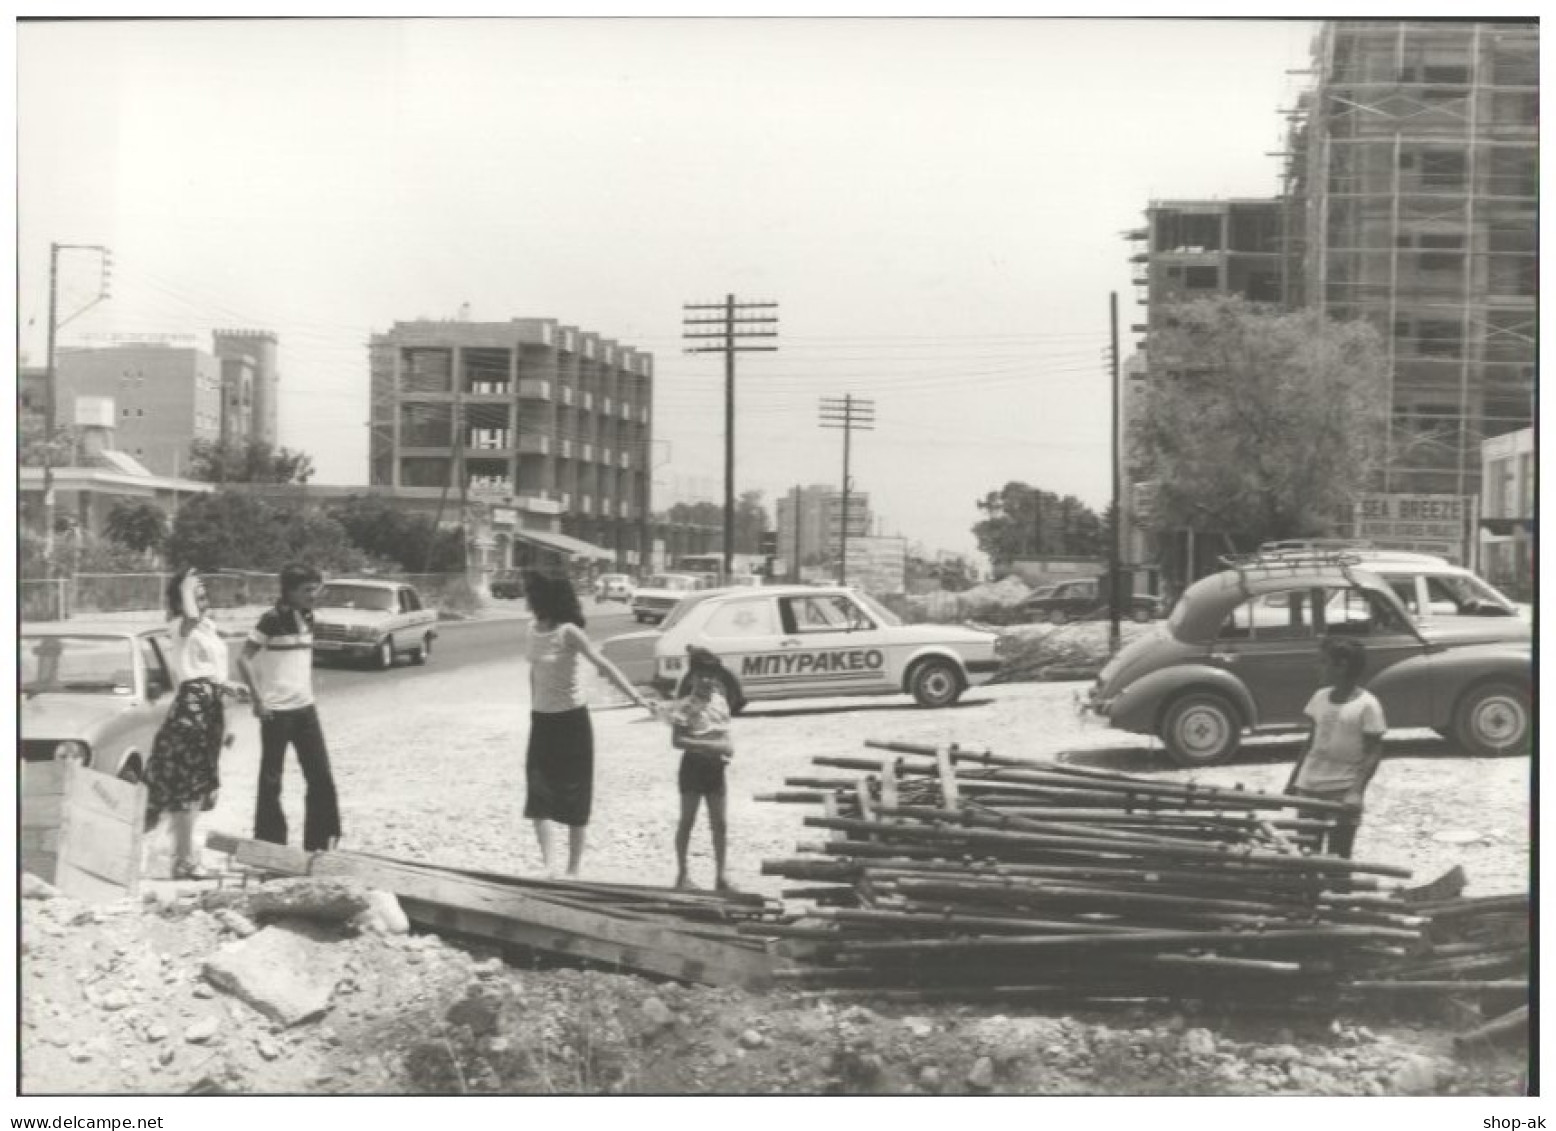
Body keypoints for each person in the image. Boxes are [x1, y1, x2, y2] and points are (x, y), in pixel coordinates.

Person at [523, 570, 653, 876]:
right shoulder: (530, 629)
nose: (528, 599)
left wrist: (638, 697)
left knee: (574, 793)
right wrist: (534, 706)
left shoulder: (569, 632)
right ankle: (549, 868)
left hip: (572, 722)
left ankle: (573, 870)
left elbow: (603, 665)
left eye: (532, 594)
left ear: (545, 598)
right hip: (542, 720)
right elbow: (534, 672)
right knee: (538, 792)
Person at [142, 568, 250, 879]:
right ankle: (183, 862)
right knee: (186, 789)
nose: (203, 598)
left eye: (203, 593)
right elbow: (192, 675)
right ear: (181, 599)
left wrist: (227, 686)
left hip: (210, 706)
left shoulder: (207, 628)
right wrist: (186, 587)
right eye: (196, 593)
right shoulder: (179, 624)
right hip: (192, 710)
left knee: (196, 789)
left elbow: (207, 671)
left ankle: (183, 859)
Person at [237, 562, 342, 852]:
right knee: (272, 781)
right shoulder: (270, 620)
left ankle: (320, 843)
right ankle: (271, 845)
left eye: (315, 589)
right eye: (307, 590)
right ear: (290, 591)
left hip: (306, 709)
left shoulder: (309, 616)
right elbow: (243, 659)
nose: (313, 595)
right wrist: (257, 699)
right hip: (276, 712)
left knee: (321, 776)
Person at [1285, 636, 1388, 860]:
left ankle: (1337, 892)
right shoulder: (1319, 698)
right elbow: (1311, 741)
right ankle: (1311, 895)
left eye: (1323, 662)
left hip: (1342, 790)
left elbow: (1374, 752)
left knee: (1339, 856)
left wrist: (1356, 791)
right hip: (1310, 786)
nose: (1317, 667)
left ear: (1341, 666)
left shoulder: (1367, 705)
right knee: (1307, 851)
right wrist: (1294, 780)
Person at [658, 645, 736, 891]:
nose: (707, 681)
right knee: (688, 821)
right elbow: (677, 741)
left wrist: (723, 748)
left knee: (720, 823)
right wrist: (710, 745)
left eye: (712, 676)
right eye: (702, 675)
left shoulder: (721, 701)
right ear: (692, 677)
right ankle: (682, 874)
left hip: (716, 769)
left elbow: (725, 734)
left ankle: (721, 876)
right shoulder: (684, 706)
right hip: (693, 767)